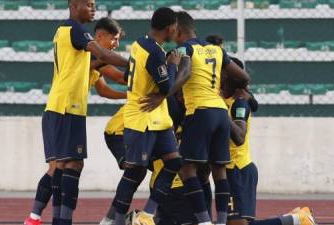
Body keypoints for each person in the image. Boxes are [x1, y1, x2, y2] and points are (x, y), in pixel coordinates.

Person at [24, 0, 128, 224]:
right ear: (74, 5)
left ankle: (43, 219)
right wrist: (140, 65)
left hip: (66, 109)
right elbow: (113, 68)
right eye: (89, 4)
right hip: (65, 108)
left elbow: (103, 87)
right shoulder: (75, 31)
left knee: (61, 166)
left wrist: (128, 95)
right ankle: (50, 219)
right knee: (67, 165)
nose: (93, 8)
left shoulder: (81, 51)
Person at [168, 11, 250, 225]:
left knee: (186, 168)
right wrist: (243, 91)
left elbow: (184, 73)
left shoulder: (185, 48)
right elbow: (243, 76)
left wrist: (165, 93)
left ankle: (204, 222)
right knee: (219, 170)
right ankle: (221, 222)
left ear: (178, 31)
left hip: (200, 111)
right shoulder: (217, 50)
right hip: (221, 113)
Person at [110, 7, 186, 225]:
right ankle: (117, 221)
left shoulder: (138, 44)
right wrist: (172, 64)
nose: (176, 32)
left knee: (174, 162)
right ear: (170, 28)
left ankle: (146, 214)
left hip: (159, 121)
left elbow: (129, 75)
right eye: (175, 28)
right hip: (141, 119)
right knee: (135, 173)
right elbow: (167, 86)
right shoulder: (154, 52)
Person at [222, 58, 316, 225]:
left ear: (230, 78)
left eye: (221, 72)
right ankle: (295, 219)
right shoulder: (227, 100)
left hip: (238, 169)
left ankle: (298, 220)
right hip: (232, 170)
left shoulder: (238, 104)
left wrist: (220, 111)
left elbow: (239, 136)